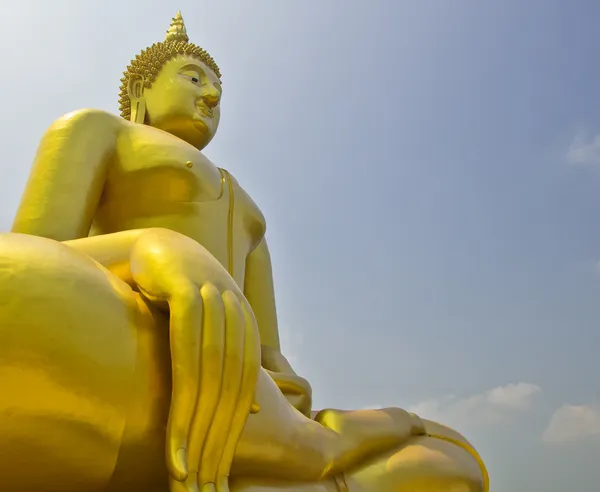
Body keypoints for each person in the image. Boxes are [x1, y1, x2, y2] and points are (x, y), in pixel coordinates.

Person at [2, 12, 488, 492]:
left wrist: (282, 394)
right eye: (192, 77)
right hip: (117, 337)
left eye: (217, 89)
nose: (210, 95)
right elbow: (35, 255)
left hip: (230, 378)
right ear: (139, 93)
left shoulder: (250, 213)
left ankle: (297, 450)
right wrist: (148, 247)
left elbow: (266, 353)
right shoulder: (99, 129)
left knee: (454, 466)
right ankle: (309, 457)